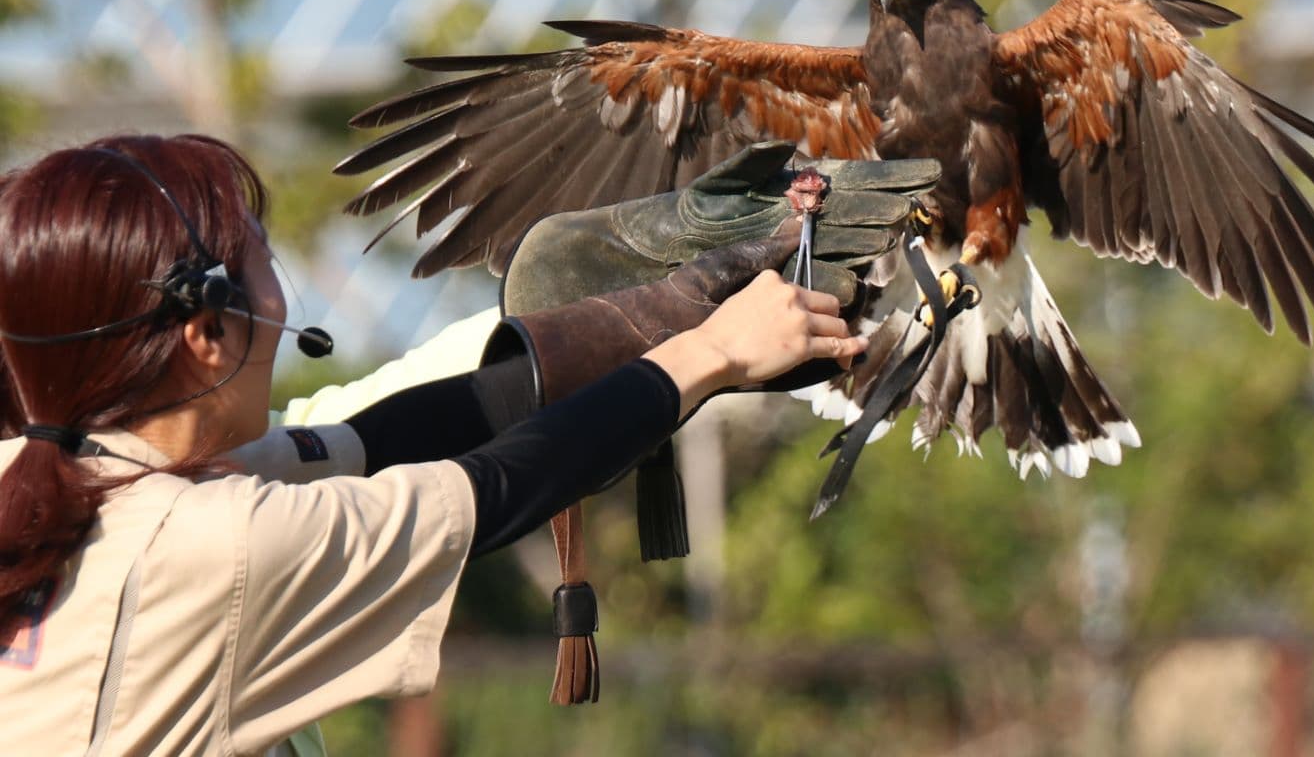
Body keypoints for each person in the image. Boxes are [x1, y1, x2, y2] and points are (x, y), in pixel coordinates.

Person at [0, 133, 928, 755]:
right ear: (206, 329)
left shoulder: (59, 484)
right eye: (264, 268)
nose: (284, 304)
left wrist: (657, 313)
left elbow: (381, 438)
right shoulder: (217, 546)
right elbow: (495, 489)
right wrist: (712, 353)